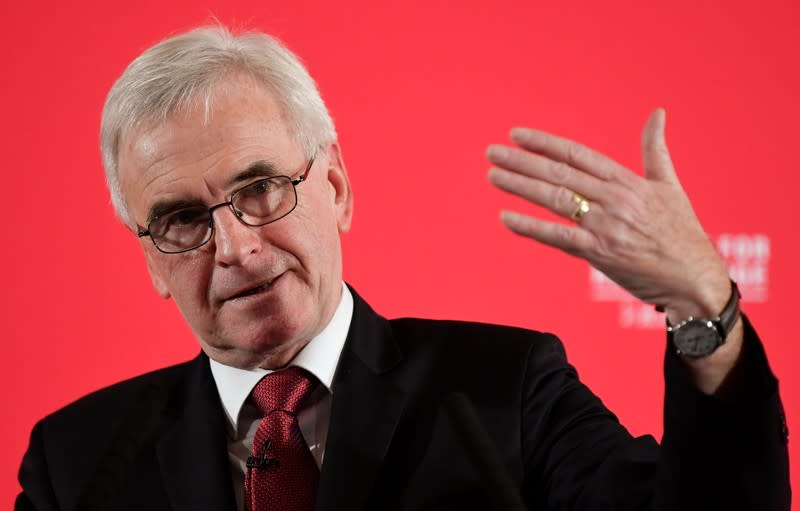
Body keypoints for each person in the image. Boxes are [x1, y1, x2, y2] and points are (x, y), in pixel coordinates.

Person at [16, 25, 789, 511]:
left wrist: (704, 314)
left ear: (337, 187)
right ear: (151, 258)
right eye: (183, 218)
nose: (236, 247)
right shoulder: (78, 462)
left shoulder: (500, 391)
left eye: (259, 189)